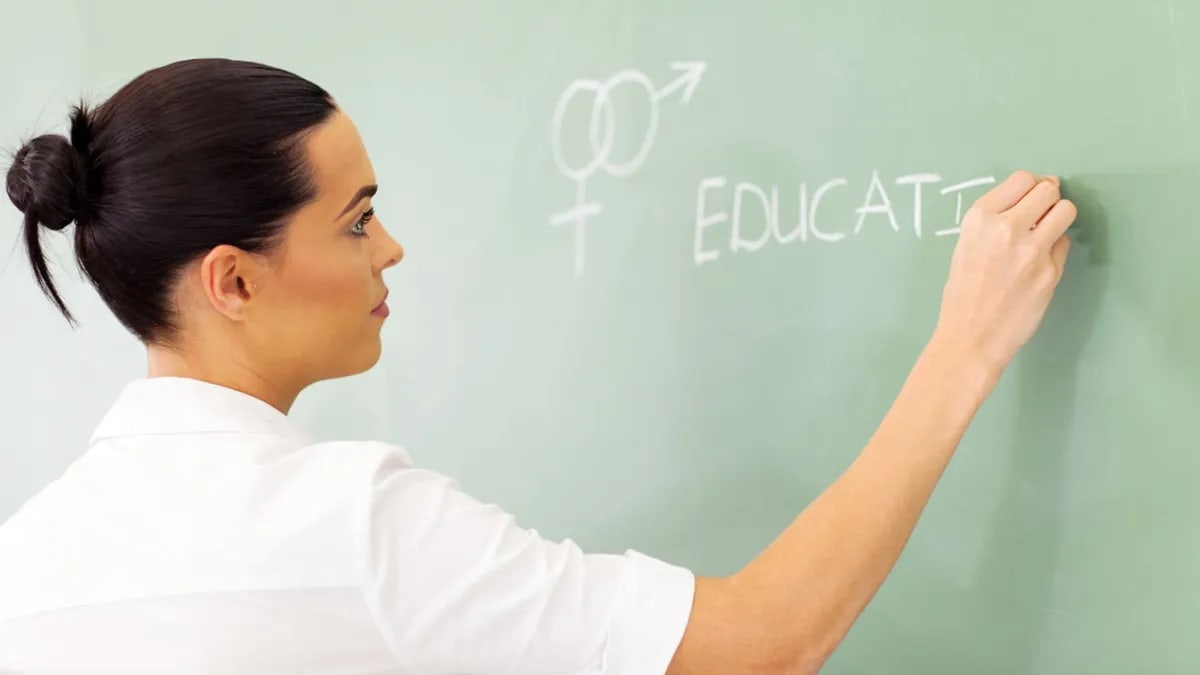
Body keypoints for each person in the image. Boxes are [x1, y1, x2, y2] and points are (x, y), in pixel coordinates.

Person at [0, 58, 1076, 674]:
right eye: (357, 220)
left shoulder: (27, 562)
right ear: (233, 280)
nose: (392, 249)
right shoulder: (353, 524)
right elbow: (765, 642)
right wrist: (966, 346)